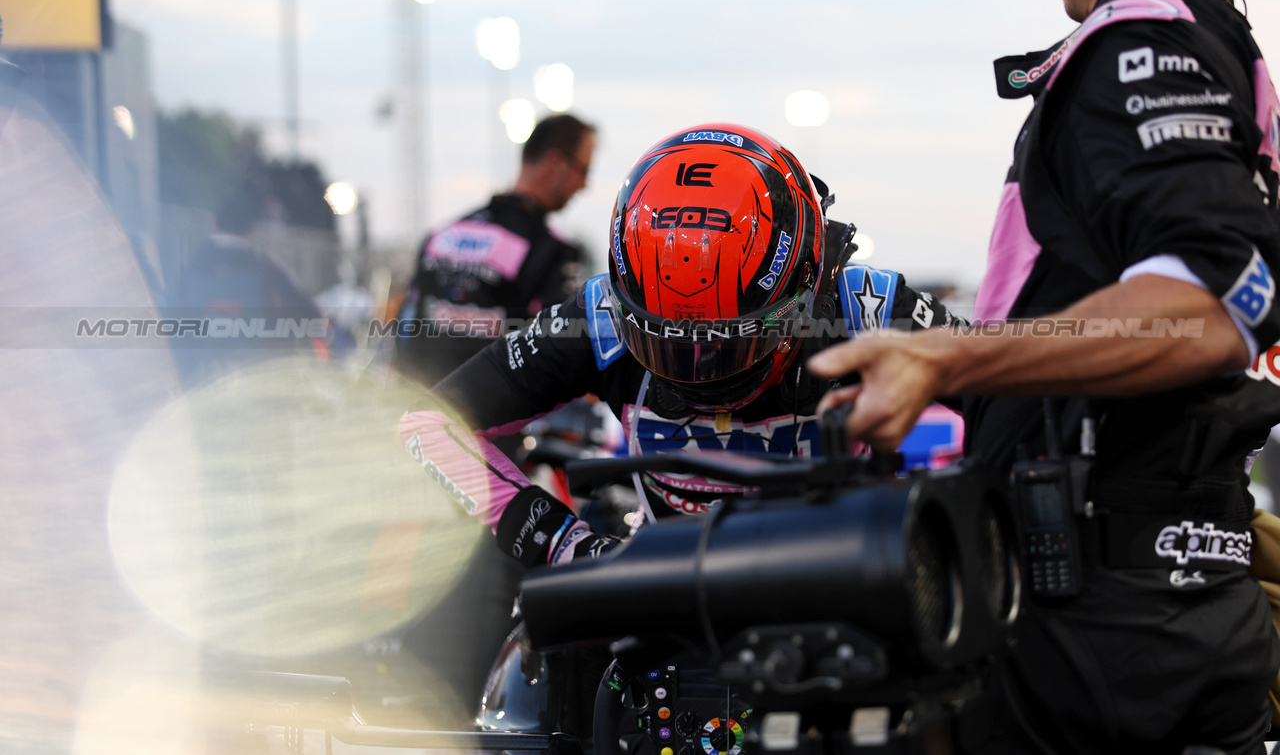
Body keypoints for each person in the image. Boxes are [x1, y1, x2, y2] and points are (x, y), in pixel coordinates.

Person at [808, 0, 1280, 751]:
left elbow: (1210, 306)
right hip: (1177, 592)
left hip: (1105, 625)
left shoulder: (1145, 39)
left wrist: (944, 356)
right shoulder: (1216, 30)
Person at [398, 123, 964, 569]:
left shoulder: (865, 306)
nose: (700, 367)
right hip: (665, 588)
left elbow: (1016, 398)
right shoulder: (598, 317)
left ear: (806, 287)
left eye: (728, 342)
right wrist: (564, 545)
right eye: (667, 342)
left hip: (838, 582)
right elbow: (426, 421)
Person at [395, 113, 595, 387]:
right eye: (583, 171)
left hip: (416, 411)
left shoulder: (441, 235)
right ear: (555, 163)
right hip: (487, 420)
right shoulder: (553, 251)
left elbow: (404, 329)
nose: (584, 185)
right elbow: (566, 349)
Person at [170, 186, 323, 386]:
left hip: (198, 385)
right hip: (255, 384)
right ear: (253, 228)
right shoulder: (267, 268)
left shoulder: (186, 269)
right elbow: (309, 316)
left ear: (214, 223)